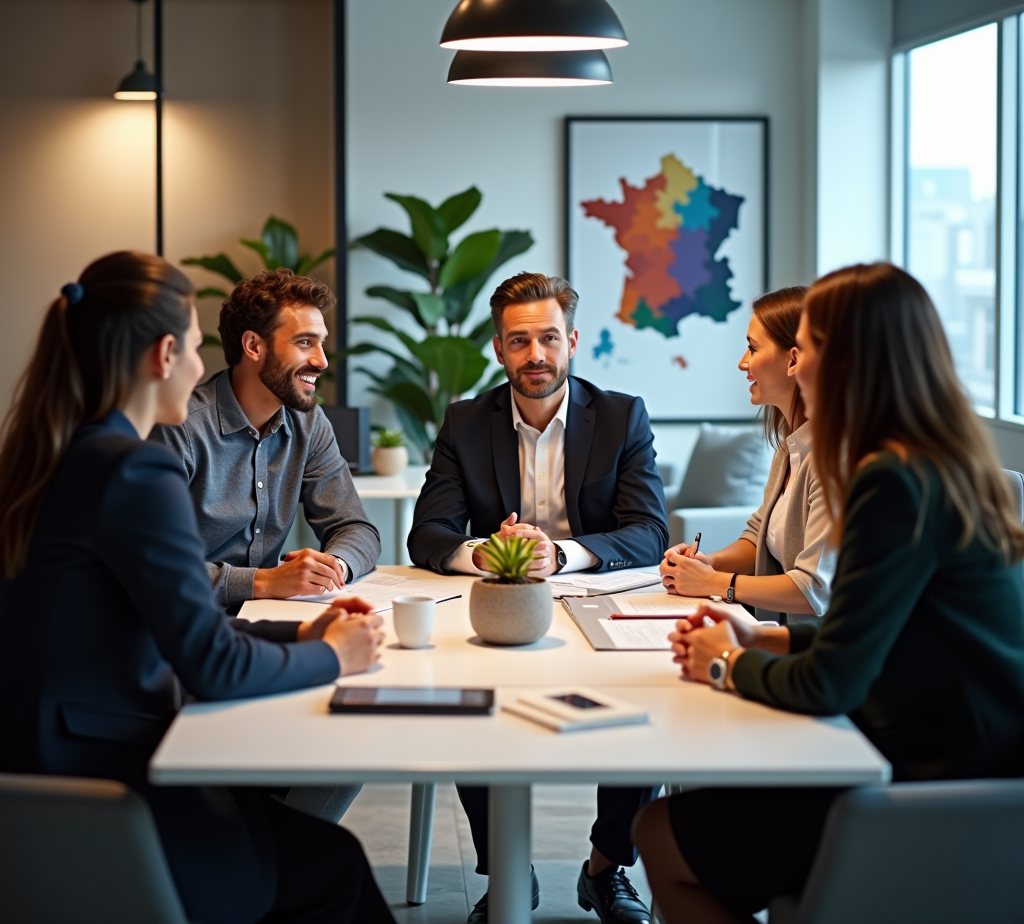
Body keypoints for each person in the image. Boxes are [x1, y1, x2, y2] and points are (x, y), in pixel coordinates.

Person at [0, 252, 394, 924]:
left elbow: (157, 618)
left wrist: (303, 629)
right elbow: (211, 663)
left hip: (51, 766)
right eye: (190, 346)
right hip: (103, 787)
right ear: (162, 355)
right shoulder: (136, 469)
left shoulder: (68, 453)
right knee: (335, 867)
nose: (195, 365)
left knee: (299, 839)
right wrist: (336, 657)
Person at [633, 262, 1024, 924]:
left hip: (931, 778)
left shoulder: (889, 482)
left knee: (657, 834)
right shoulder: (939, 462)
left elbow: (833, 684)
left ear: (847, 362)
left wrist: (725, 663)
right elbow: (889, 627)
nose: (798, 363)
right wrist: (768, 635)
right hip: (971, 753)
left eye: (807, 347)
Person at [409, 272, 668, 924]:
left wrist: (561, 553)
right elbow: (429, 535)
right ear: (498, 349)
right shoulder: (467, 423)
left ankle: (607, 868)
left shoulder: (619, 416)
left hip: (598, 603)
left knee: (646, 705)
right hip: (501, 609)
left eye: (549, 338)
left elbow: (648, 530)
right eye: (519, 341)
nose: (536, 355)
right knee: (467, 708)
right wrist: (493, 555)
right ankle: (508, 875)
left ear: (573, 340)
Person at [152, 268, 380, 611]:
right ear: (253, 346)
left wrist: (334, 567)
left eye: (321, 343)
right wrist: (265, 581)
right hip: (182, 627)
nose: (322, 361)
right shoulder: (179, 428)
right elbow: (156, 568)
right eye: (305, 342)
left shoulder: (308, 422)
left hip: (263, 619)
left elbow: (355, 527)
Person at [660, 286, 835, 623]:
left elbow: (813, 588)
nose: (743, 362)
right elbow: (759, 534)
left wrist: (715, 583)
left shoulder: (830, 460)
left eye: (753, 348)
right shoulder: (789, 446)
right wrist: (709, 563)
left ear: (794, 360)